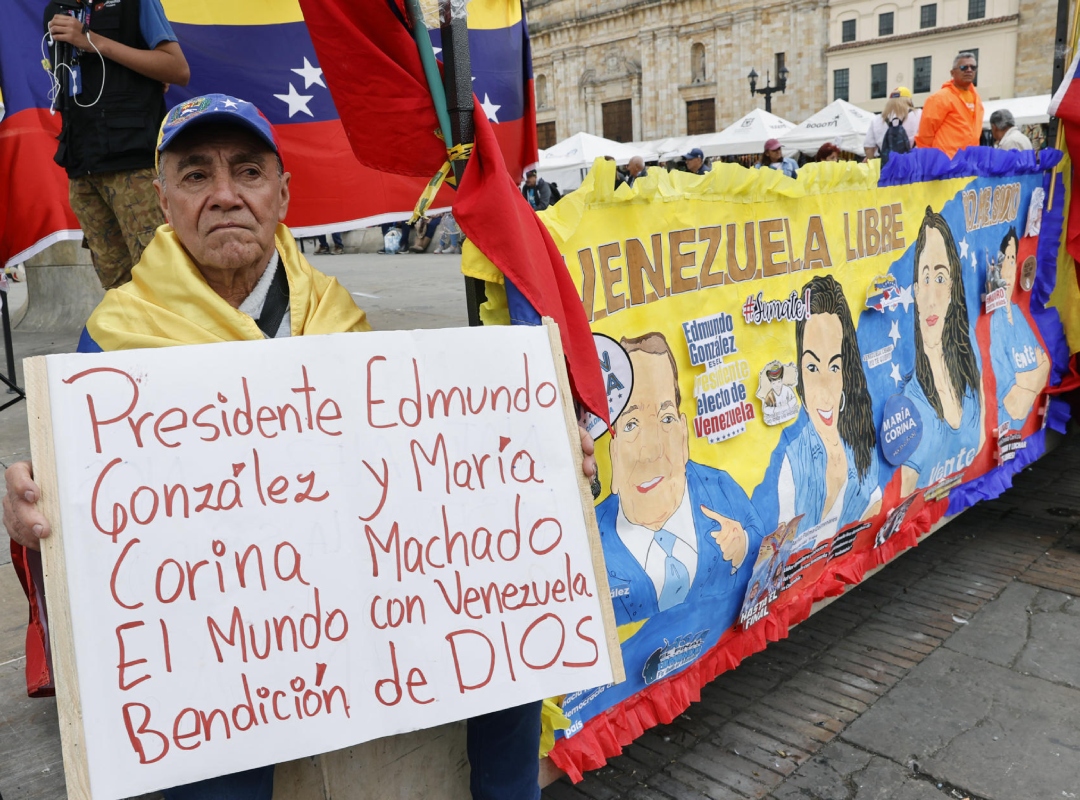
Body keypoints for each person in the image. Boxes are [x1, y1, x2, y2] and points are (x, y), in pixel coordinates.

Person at [2, 92, 595, 800]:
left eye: (247, 172)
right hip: (223, 634)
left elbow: (410, 476)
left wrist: (543, 466)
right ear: (162, 199)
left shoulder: (338, 316)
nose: (225, 195)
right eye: (196, 175)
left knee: (502, 643)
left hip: (359, 602)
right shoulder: (112, 335)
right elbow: (88, 518)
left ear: (283, 195)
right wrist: (40, 518)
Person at [594, 332, 764, 623]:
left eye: (666, 419)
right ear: (611, 450)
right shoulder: (593, 539)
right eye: (631, 425)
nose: (653, 450)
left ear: (684, 433)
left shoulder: (721, 491)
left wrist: (743, 545)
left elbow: (765, 543)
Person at [44, 0, 190, 290]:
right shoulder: (56, 9)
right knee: (118, 288)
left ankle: (179, 337)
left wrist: (91, 41)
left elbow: (177, 69)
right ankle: (133, 336)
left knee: (162, 281)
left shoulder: (136, 3)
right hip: (82, 166)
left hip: (134, 165)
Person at [774, 275, 882, 548]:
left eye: (834, 367)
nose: (824, 387)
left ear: (846, 372)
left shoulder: (860, 443)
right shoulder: (793, 461)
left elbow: (875, 506)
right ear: (798, 372)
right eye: (812, 368)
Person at [900, 208, 984, 493]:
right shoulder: (909, 399)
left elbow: (982, 443)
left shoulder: (969, 363)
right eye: (925, 278)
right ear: (914, 290)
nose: (932, 298)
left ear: (952, 287)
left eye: (940, 278)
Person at [990, 228, 1049, 429]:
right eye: (1004, 259)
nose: (1007, 269)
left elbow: (1046, 367)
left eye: (1012, 259)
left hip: (1026, 436)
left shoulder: (1017, 314)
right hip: (1005, 437)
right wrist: (1035, 375)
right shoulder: (994, 323)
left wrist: (1022, 381)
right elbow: (1017, 407)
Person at [915, 52, 984, 157]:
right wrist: (929, 162)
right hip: (946, 164)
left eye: (973, 67)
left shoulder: (977, 99)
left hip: (969, 162)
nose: (969, 70)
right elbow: (925, 136)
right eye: (963, 67)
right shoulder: (939, 98)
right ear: (952, 73)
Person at [864, 86, 921, 161]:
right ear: (910, 100)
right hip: (911, 165)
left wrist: (870, 160)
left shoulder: (877, 119)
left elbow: (868, 147)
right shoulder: (919, 114)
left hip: (886, 167)